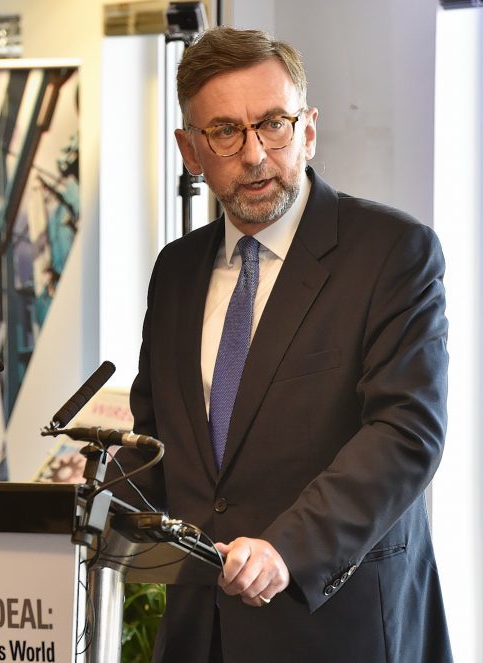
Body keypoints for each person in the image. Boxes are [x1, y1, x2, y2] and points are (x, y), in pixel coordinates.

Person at [117, 26, 452, 662]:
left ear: (309, 130)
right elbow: (155, 435)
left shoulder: (391, 253)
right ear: (190, 150)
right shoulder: (176, 271)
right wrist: (90, 504)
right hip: (199, 635)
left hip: (337, 628)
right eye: (225, 132)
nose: (255, 154)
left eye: (273, 124)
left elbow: (406, 432)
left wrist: (286, 549)